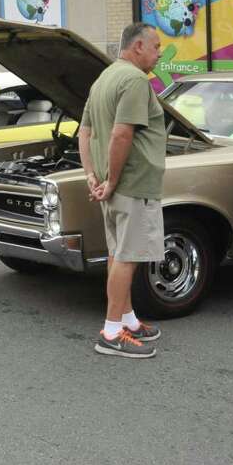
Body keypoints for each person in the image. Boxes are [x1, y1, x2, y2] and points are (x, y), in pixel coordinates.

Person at [77, 22, 167, 359]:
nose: (160, 53)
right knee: (128, 258)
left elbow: (84, 133)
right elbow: (121, 135)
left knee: (119, 254)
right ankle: (112, 331)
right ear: (138, 46)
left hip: (112, 186)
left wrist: (92, 175)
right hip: (131, 184)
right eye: (156, 46)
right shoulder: (133, 80)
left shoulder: (104, 78)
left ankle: (127, 320)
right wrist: (112, 180)